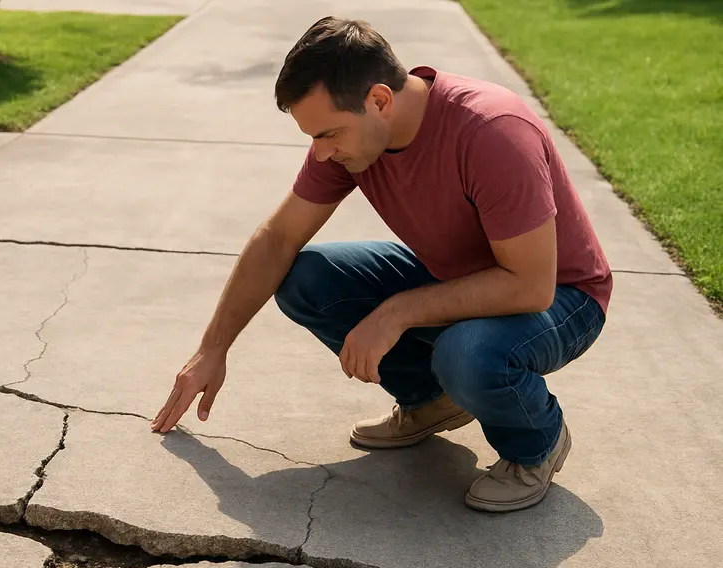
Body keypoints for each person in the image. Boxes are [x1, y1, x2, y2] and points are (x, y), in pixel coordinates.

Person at [151, 16, 612, 513]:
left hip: (563, 298)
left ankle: (536, 443)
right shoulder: (351, 143)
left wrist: (395, 313)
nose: (321, 153)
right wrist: (212, 348)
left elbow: (530, 287)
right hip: (454, 276)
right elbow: (278, 238)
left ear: (379, 100)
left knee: (467, 352)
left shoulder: (492, 132)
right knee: (306, 277)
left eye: (329, 134)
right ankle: (430, 401)